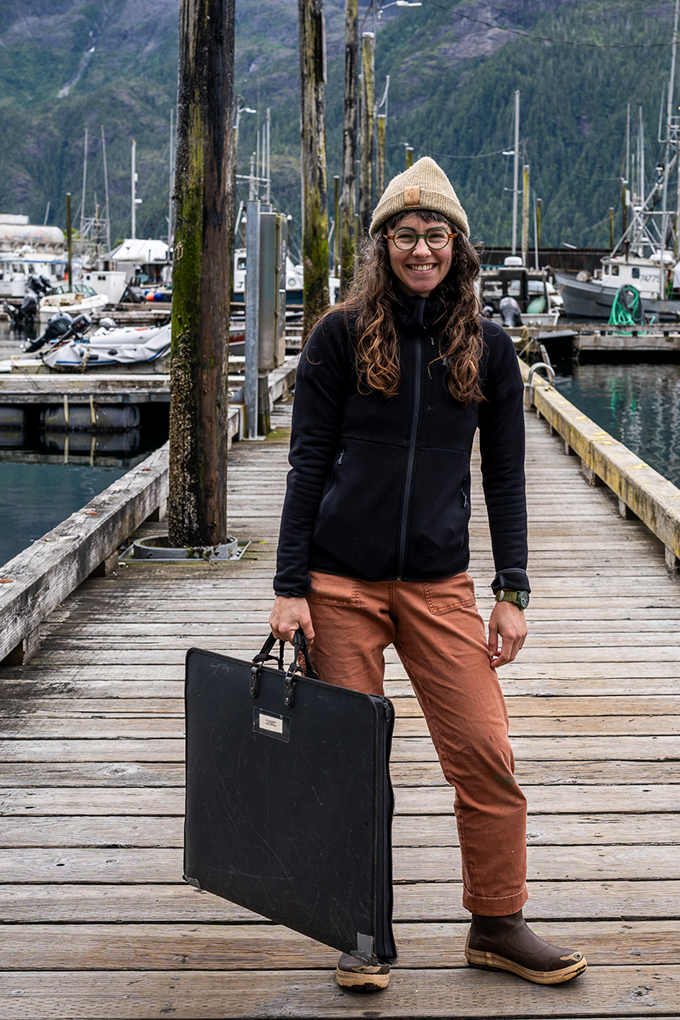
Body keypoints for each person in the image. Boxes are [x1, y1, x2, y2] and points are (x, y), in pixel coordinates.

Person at [268, 157, 587, 992]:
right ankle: (362, 928)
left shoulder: (488, 349)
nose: (421, 249)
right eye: (404, 236)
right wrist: (288, 587)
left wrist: (512, 590)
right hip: (340, 584)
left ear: (458, 247)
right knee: (353, 761)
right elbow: (305, 466)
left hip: (441, 587)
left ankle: (496, 921)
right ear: (382, 246)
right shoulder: (338, 337)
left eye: (435, 235)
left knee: (485, 749)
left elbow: (507, 477)